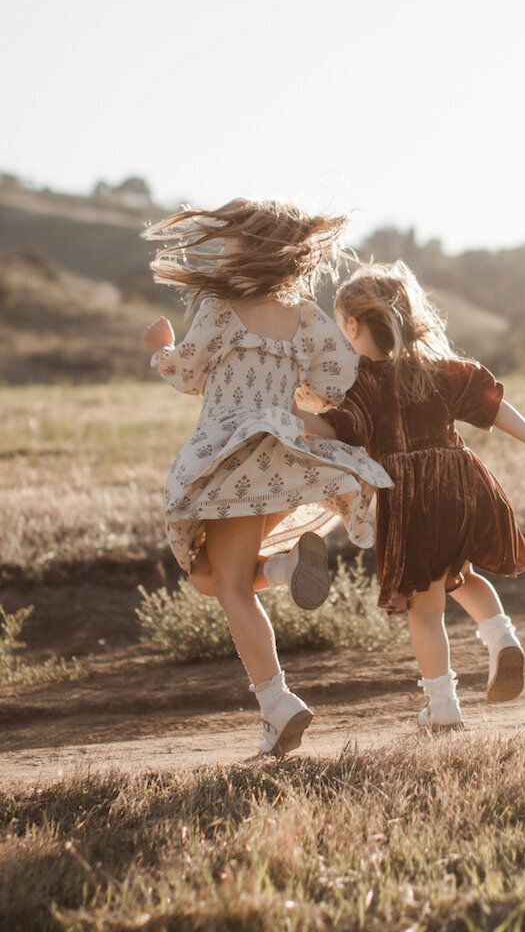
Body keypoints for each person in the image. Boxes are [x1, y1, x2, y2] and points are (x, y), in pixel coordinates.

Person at [140, 198, 392, 757]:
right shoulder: (304, 314)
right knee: (208, 575)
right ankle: (283, 567)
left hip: (233, 461)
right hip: (281, 458)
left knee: (226, 587)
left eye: (232, 238)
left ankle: (278, 706)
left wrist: (161, 351)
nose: (224, 247)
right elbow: (336, 375)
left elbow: (189, 375)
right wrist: (291, 396)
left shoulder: (221, 307)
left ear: (250, 247)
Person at [299, 261, 525, 732]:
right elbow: (492, 404)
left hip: (413, 498)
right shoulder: (439, 370)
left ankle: (442, 708)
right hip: (462, 482)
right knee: (461, 574)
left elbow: (349, 430)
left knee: (426, 609)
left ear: (352, 326)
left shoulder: (361, 380)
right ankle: (502, 638)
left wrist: (295, 417)